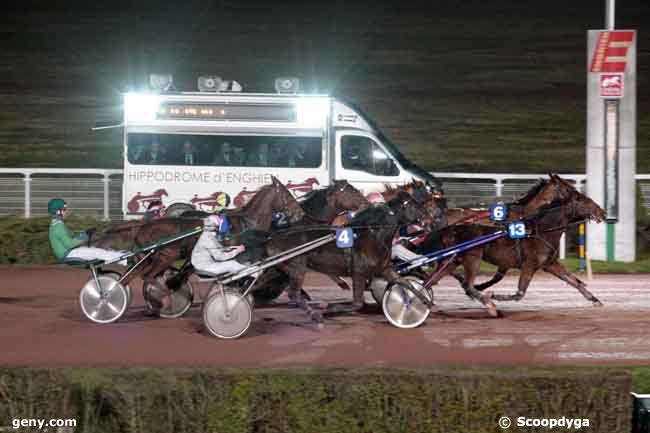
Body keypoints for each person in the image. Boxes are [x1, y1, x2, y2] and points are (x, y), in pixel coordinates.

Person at [47, 198, 127, 265]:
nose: (66, 211)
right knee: (97, 252)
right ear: (58, 212)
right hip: (68, 254)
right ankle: (125, 259)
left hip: (70, 252)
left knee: (99, 249)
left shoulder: (57, 223)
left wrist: (84, 233)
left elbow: (72, 236)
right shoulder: (58, 226)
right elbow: (69, 244)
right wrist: (85, 236)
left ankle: (122, 255)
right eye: (64, 209)